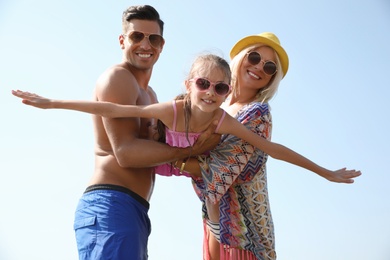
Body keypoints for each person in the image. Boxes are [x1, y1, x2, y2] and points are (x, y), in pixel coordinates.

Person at [13, 5, 218, 260]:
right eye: (136, 36)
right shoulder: (118, 78)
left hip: (133, 210)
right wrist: (191, 150)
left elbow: (157, 157)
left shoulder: (150, 94)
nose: (146, 44)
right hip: (111, 205)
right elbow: (126, 153)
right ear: (122, 41)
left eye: (153, 38)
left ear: (162, 45)